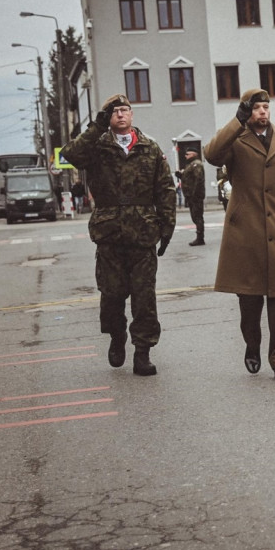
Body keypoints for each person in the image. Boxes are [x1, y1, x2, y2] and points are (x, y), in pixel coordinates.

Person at [204, 88, 275, 382]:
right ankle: (252, 343)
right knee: (250, 300)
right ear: (247, 111)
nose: (263, 112)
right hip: (245, 231)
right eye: (256, 108)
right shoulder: (235, 139)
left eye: (266, 107)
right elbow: (212, 155)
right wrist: (235, 121)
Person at [61, 93, 176, 376]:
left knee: (144, 297)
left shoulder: (149, 148)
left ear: (132, 115)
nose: (120, 115)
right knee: (111, 295)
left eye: (125, 110)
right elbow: (71, 154)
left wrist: (167, 226)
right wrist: (97, 125)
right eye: (114, 112)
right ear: (107, 118)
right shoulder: (96, 147)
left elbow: (165, 189)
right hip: (110, 232)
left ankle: (142, 352)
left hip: (143, 232)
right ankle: (117, 336)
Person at [179, 147, 206, 246]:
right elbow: (189, 178)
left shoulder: (196, 164)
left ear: (194, 154)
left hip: (195, 195)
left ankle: (200, 238)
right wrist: (180, 175)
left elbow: (198, 179)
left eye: (188, 154)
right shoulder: (191, 165)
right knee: (195, 216)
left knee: (197, 216)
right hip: (191, 195)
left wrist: (194, 194)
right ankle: (199, 237)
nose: (186, 156)